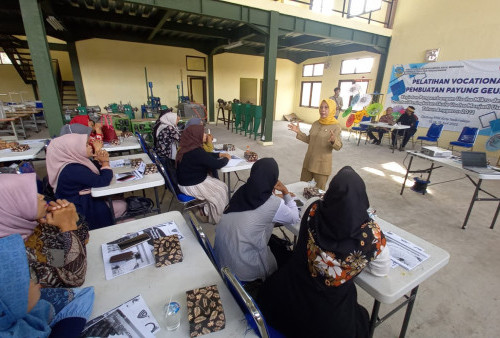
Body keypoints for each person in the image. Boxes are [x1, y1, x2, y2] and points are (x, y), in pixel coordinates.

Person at [257, 166, 391, 338]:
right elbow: (381, 271)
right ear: (363, 199)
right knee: (361, 320)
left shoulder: (312, 207)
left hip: (287, 294)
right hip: (327, 315)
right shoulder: (373, 236)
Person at [214, 158, 300, 287]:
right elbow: (294, 217)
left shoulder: (241, 189)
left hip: (220, 258)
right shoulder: (274, 204)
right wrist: (285, 193)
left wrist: (275, 197)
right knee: (288, 258)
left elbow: (258, 202)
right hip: (243, 270)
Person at [0, 173, 89, 288]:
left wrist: (73, 219)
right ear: (9, 208)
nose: (41, 196)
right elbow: (74, 278)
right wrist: (68, 226)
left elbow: (58, 261)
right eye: (30, 195)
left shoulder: (34, 227)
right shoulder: (10, 258)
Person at [0, 234, 94, 337]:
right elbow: (73, 278)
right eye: (27, 278)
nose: (38, 283)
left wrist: (62, 229)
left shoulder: (37, 233)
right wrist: (66, 227)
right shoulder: (32, 242)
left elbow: (82, 295)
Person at [46, 133, 126, 229]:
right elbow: (102, 181)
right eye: (86, 145)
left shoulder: (72, 162)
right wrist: (105, 162)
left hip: (82, 202)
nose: (90, 147)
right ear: (73, 149)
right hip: (83, 209)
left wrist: (98, 158)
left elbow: (93, 171)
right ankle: (111, 229)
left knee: (119, 200)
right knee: (122, 205)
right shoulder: (72, 169)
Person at [176, 125, 230, 224]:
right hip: (192, 185)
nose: (206, 135)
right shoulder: (196, 152)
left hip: (186, 182)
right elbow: (216, 164)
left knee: (218, 185)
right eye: (203, 133)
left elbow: (205, 155)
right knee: (222, 189)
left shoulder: (186, 147)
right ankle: (208, 213)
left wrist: (219, 154)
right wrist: (226, 158)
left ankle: (204, 207)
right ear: (195, 136)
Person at [288, 98, 343, 190]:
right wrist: (298, 132)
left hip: (322, 166)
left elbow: (339, 146)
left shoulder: (336, 126)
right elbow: (310, 139)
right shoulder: (316, 124)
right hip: (308, 162)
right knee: (302, 188)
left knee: (319, 193)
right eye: (321, 107)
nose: (323, 110)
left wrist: (334, 141)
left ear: (332, 109)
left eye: (326, 107)